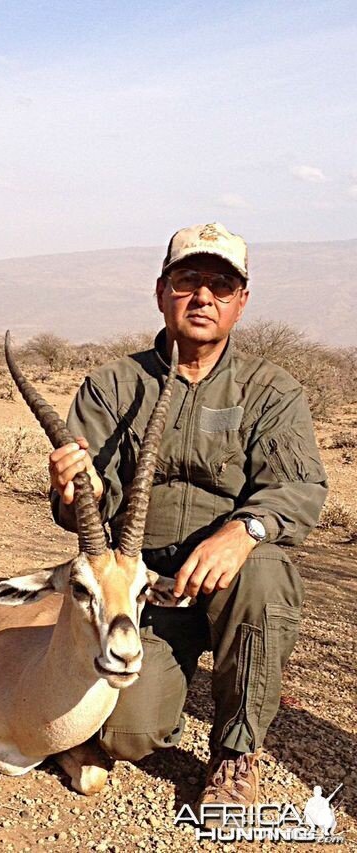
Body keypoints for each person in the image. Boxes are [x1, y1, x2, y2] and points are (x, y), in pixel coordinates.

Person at [49, 222, 327, 807]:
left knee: (263, 570)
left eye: (221, 285)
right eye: (188, 281)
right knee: (127, 737)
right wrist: (76, 492)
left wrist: (244, 531)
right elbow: (79, 508)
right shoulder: (112, 385)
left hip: (229, 580)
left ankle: (235, 753)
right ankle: (164, 689)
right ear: (161, 290)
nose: (203, 297)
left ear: (241, 303)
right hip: (146, 591)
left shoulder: (271, 390)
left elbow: (299, 490)